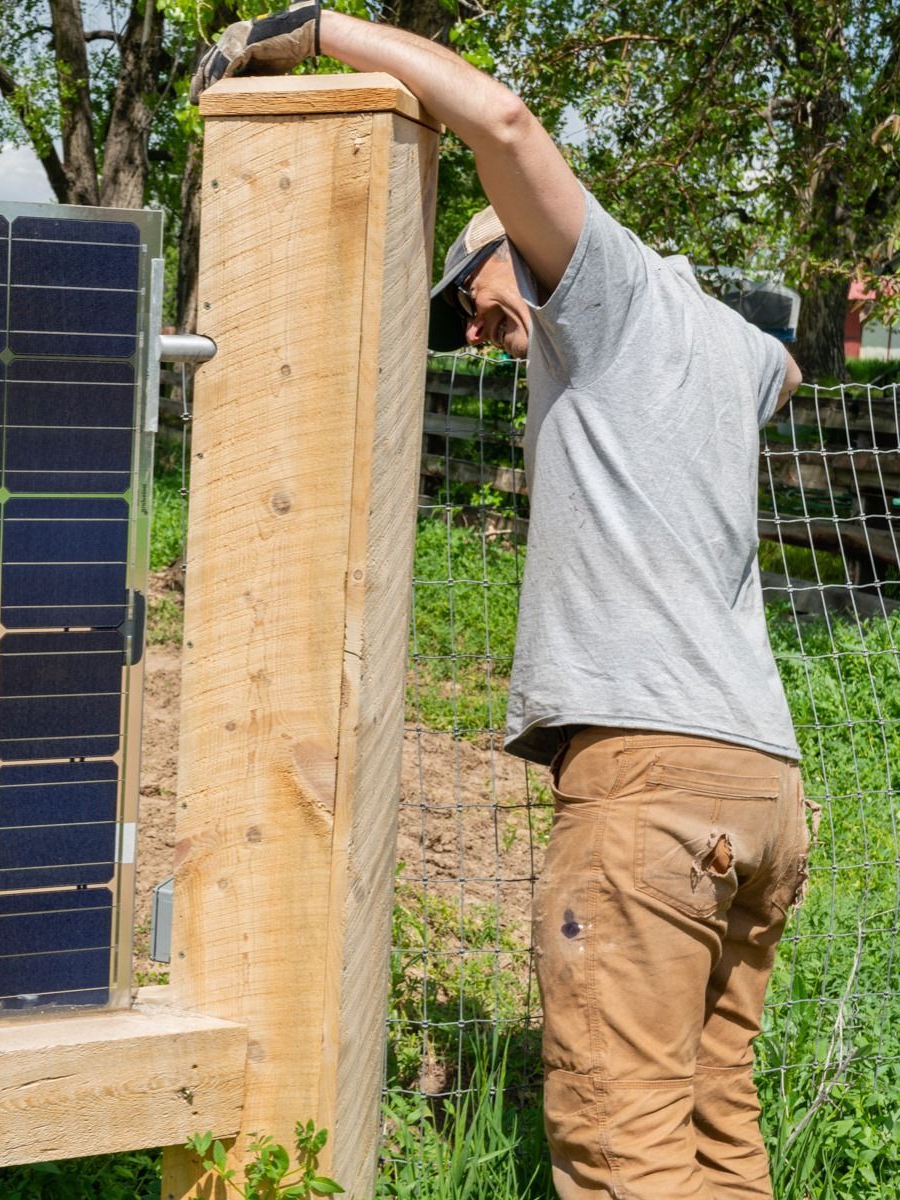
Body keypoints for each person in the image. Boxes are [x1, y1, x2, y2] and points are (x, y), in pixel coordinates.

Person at [192, 8, 818, 1198]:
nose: (475, 329)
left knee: (622, 1146)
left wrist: (312, 31)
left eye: (474, 288)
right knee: (714, 1132)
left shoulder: (610, 296)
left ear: (536, 249)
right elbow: (785, 366)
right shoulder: (719, 343)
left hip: (654, 787)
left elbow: (502, 117)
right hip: (762, 785)